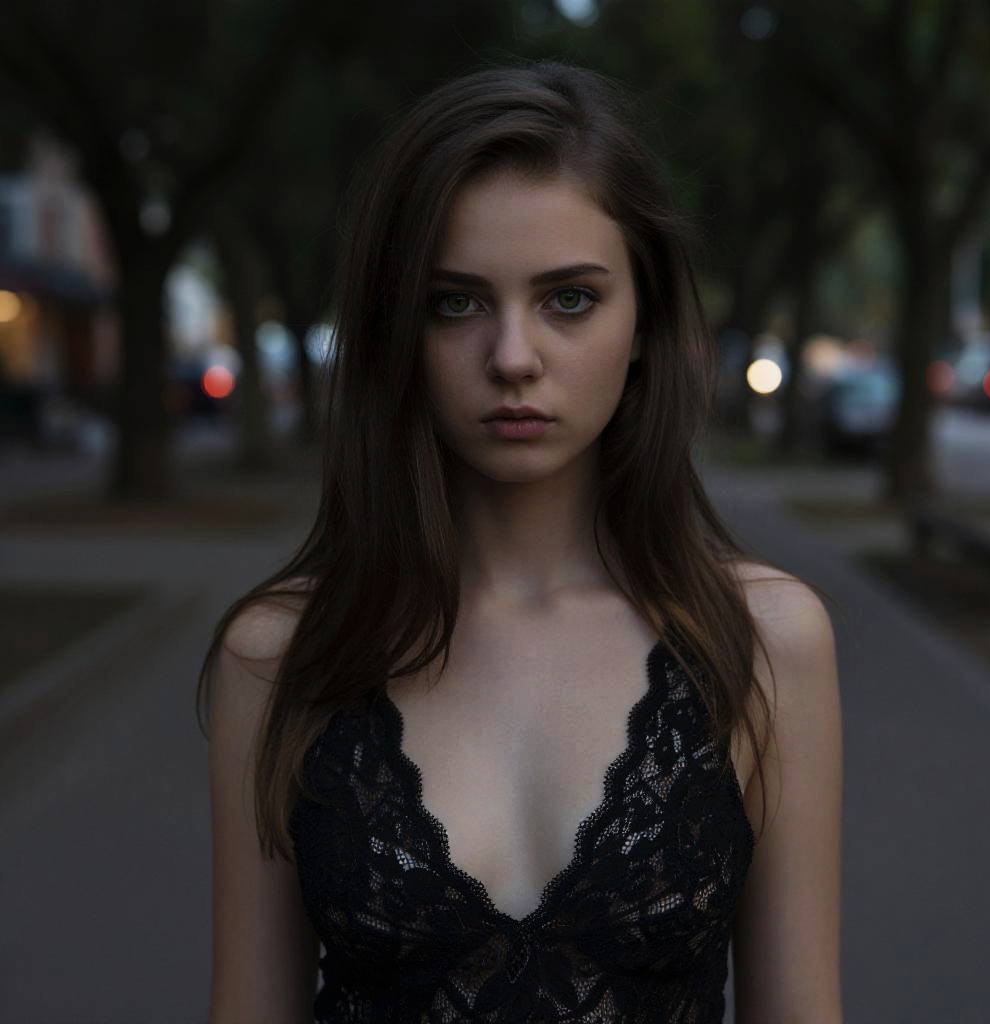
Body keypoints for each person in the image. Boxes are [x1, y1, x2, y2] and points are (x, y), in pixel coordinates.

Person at [199, 59, 843, 1024]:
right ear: (397, 329)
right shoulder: (280, 655)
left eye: (569, 299)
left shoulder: (764, 643)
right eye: (455, 302)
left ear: (644, 322)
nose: (512, 357)